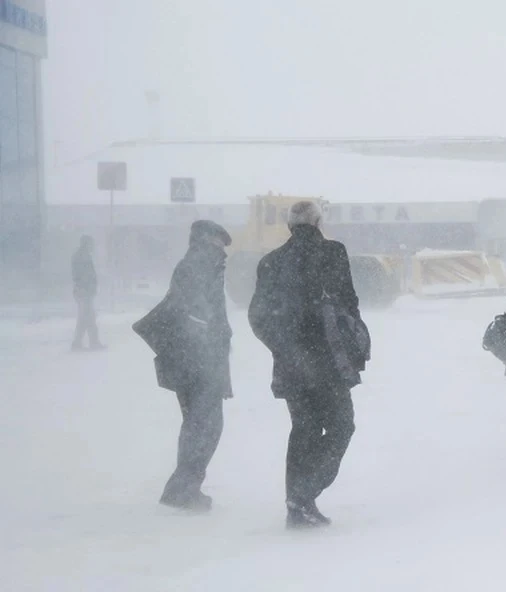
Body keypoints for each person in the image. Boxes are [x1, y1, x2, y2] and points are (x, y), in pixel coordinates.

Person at [248, 200, 367, 529]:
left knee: (304, 430)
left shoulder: (270, 262)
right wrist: (352, 344)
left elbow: (257, 318)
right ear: (317, 223)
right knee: (342, 426)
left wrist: (284, 348)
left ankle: (297, 507)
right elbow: (349, 304)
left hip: (290, 365)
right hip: (329, 362)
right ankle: (303, 496)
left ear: (289, 226)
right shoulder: (333, 253)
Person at [133, 220, 234, 511]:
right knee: (206, 425)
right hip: (198, 360)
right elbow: (192, 312)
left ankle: (185, 486)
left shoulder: (199, 264)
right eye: (219, 244)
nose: (223, 253)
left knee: (198, 424)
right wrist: (208, 341)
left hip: (195, 359)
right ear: (205, 241)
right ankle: (182, 488)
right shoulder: (197, 264)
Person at [71, 235, 105, 351]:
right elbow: (83, 276)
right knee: (88, 317)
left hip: (83, 291)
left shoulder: (82, 255)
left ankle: (81, 343)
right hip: (84, 292)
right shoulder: (82, 257)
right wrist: (88, 288)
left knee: (86, 317)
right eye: (91, 243)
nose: (93, 246)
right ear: (86, 244)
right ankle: (89, 343)